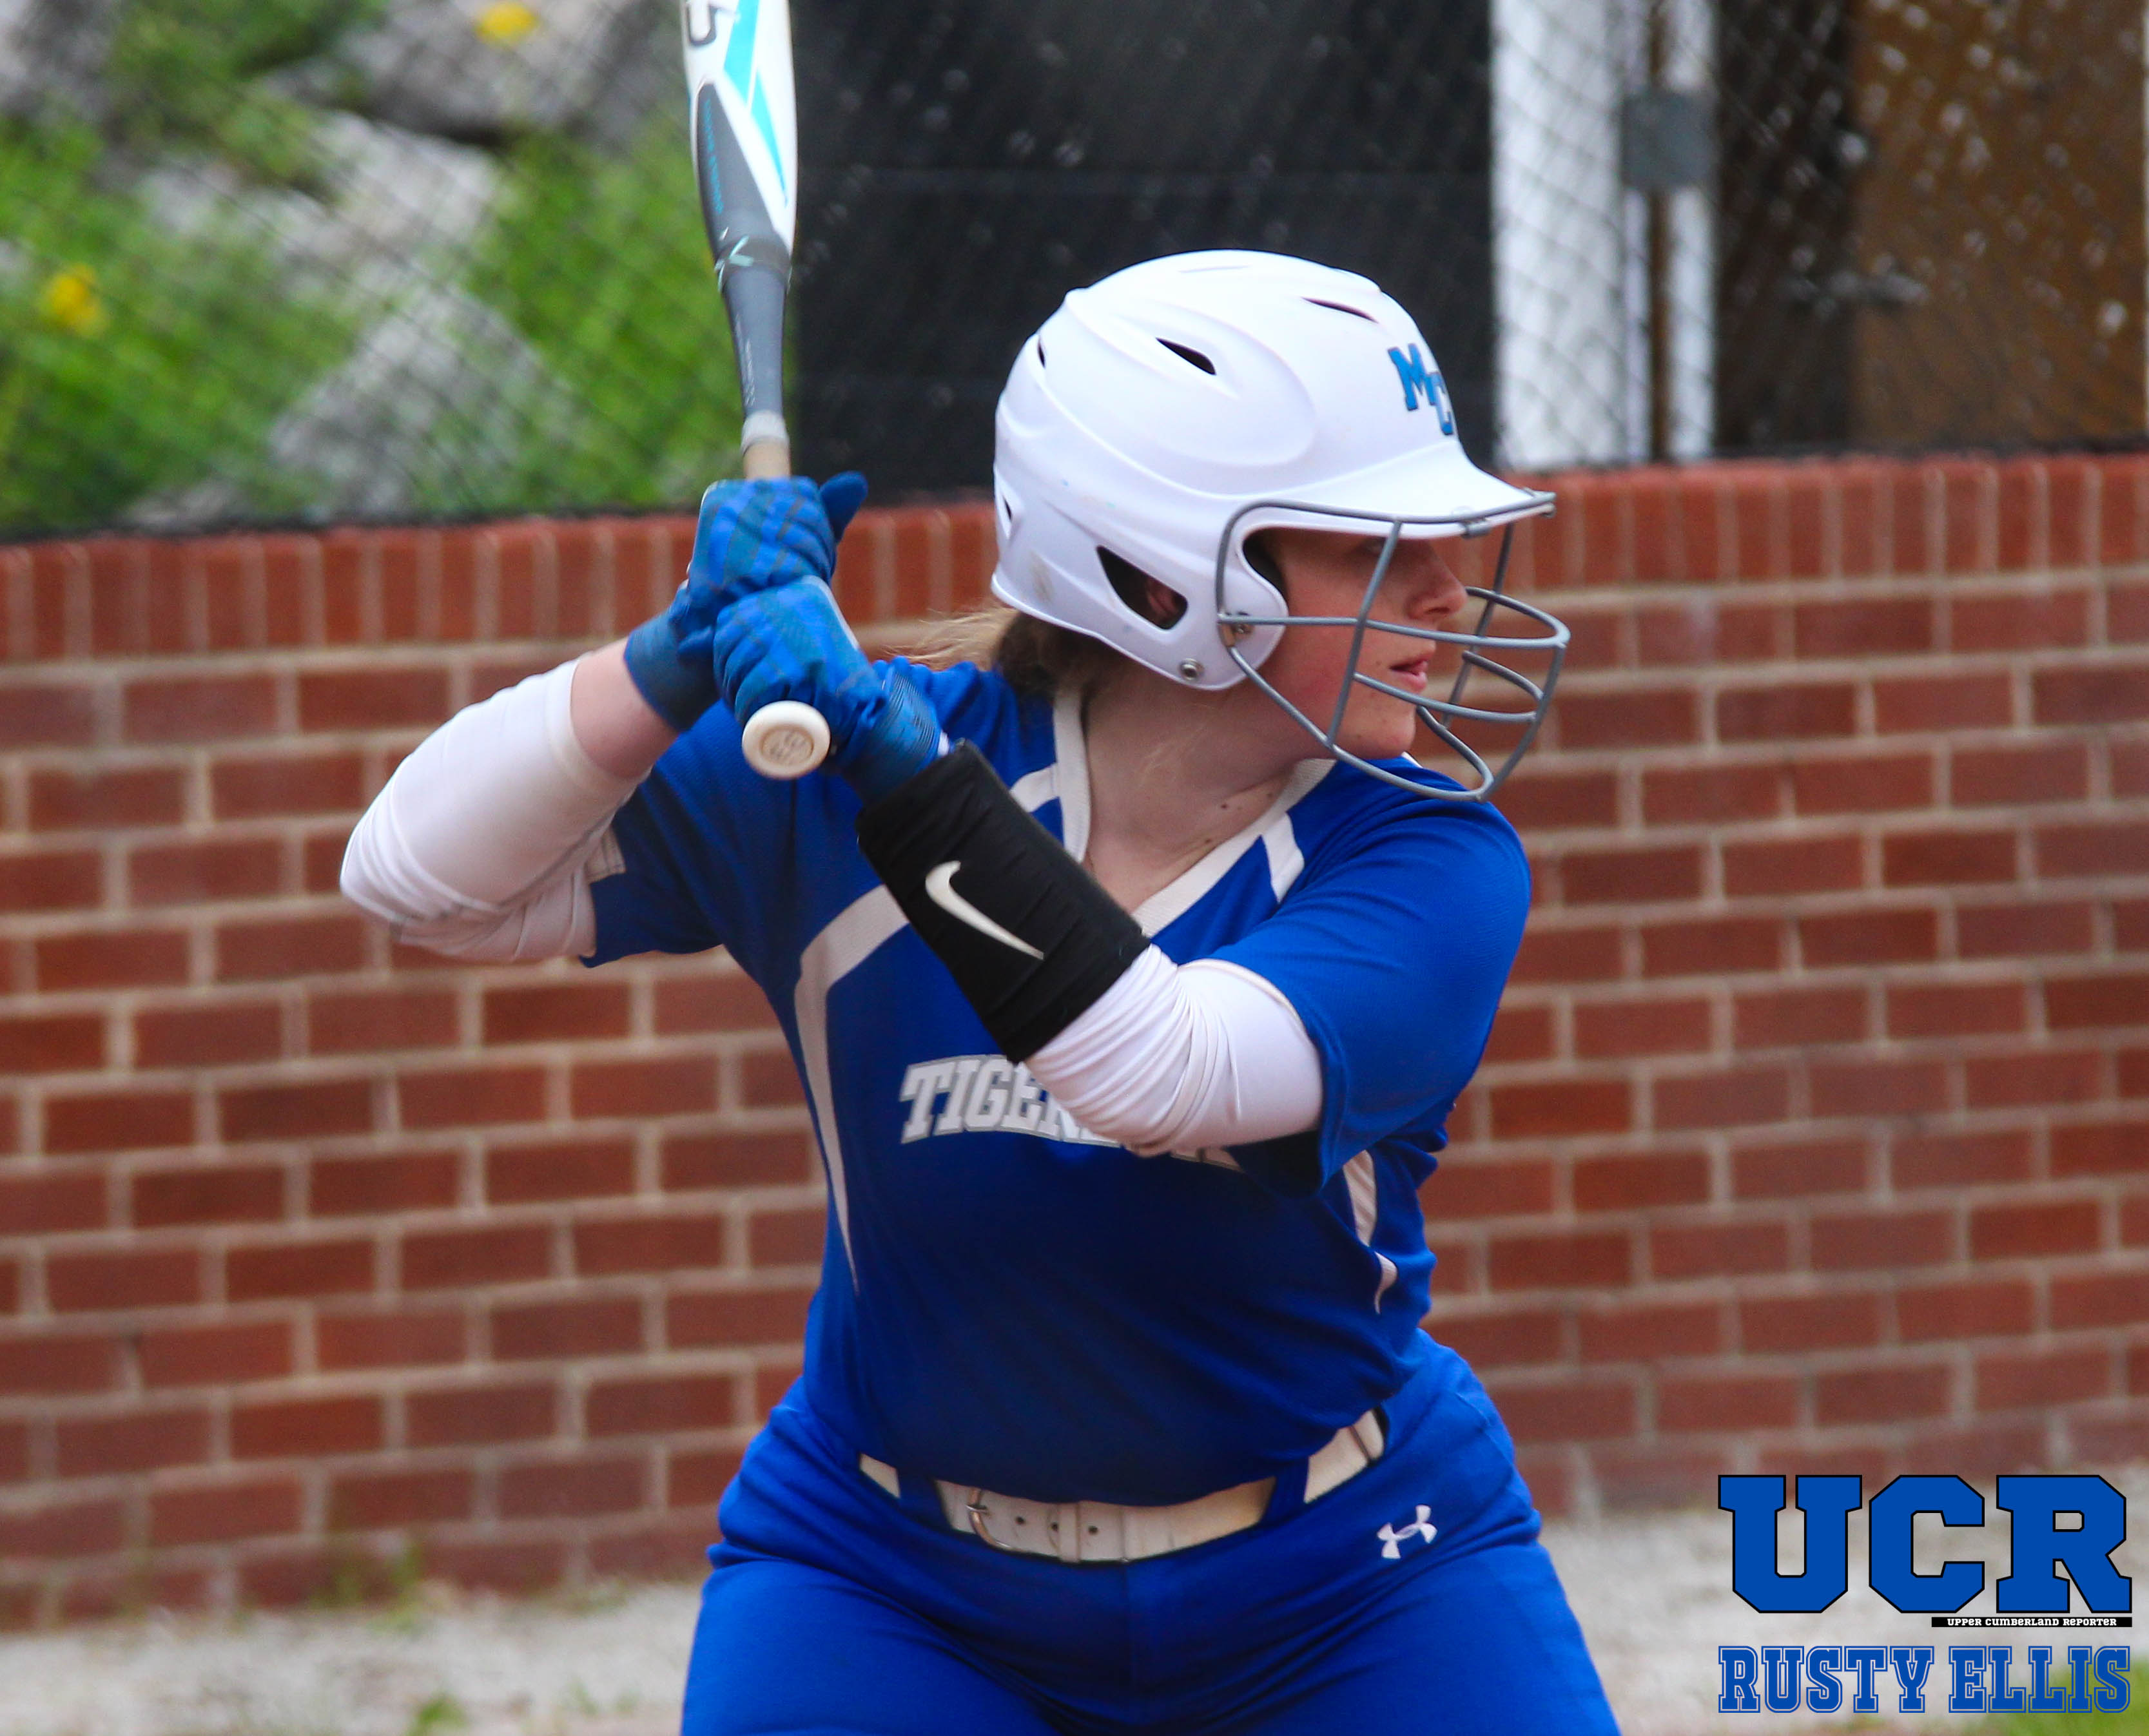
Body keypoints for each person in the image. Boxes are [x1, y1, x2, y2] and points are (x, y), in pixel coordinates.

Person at [343, 251, 1614, 1735]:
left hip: (1348, 1574)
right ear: (1162, 579)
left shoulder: (1423, 852)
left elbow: (1164, 1073)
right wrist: (673, 651)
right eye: (1373, 549)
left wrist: (897, 772)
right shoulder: (870, 755)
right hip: (894, 1581)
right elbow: (419, 880)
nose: (1447, 590)